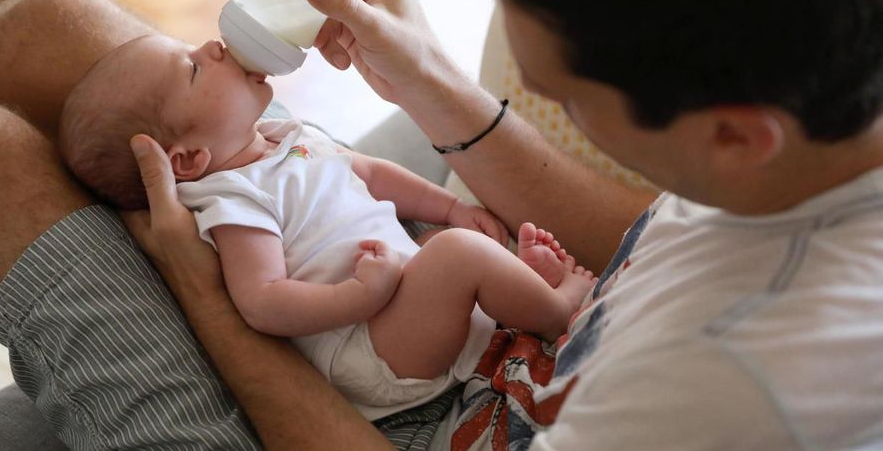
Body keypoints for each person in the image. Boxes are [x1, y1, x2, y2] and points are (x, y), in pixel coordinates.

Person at [0, 0, 879, 449]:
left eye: (565, 98)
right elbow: (667, 237)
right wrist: (430, 83)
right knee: (55, 29)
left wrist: (201, 298)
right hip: (444, 330)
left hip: (401, 410)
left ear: (732, 133)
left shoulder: (725, 389)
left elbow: (280, 290)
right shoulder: (819, 144)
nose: (539, 105)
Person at [57, 32, 596, 418]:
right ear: (188, 159)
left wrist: (448, 207)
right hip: (370, 350)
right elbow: (263, 301)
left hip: (396, 307)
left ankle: (513, 290)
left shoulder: (282, 135)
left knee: (447, 245)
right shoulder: (233, 200)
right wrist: (362, 296)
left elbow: (368, 172)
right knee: (456, 255)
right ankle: (555, 313)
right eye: (193, 68)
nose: (213, 46)